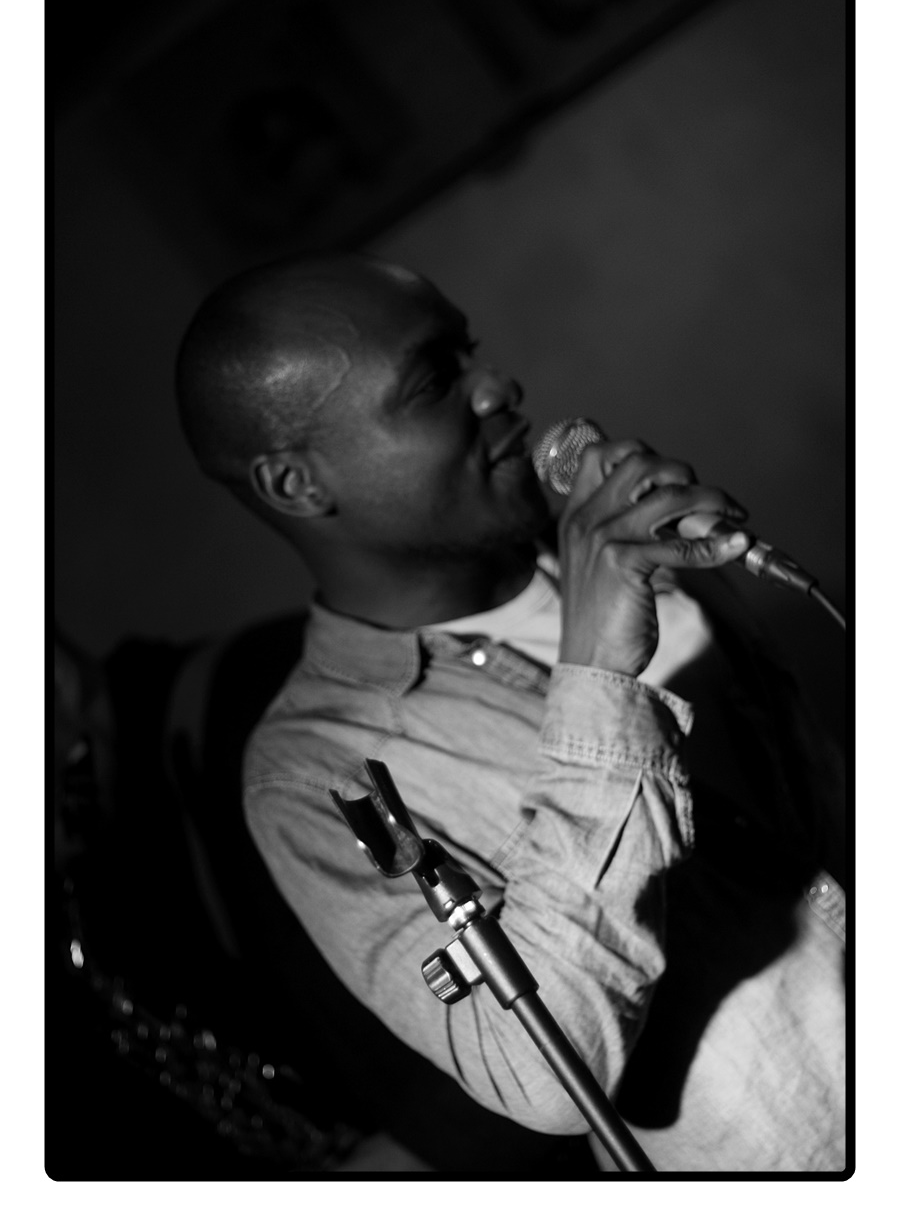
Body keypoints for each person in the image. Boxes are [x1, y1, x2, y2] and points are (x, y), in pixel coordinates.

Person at [175, 253, 845, 1173]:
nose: (498, 386)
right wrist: (597, 674)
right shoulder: (316, 772)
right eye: (433, 381)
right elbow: (545, 1075)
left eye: (471, 351)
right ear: (299, 484)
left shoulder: (613, 550)